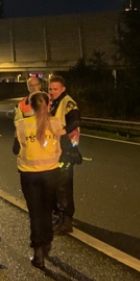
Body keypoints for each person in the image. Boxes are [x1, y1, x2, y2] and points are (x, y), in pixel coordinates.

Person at [13, 92, 72, 269]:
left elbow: (15, 149)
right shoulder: (55, 123)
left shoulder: (21, 125)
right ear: (48, 105)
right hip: (51, 174)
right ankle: (47, 243)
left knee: (35, 213)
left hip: (29, 175)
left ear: (30, 106)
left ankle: (38, 251)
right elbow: (66, 146)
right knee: (47, 211)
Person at [48, 74, 81, 235]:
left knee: (64, 186)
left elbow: (75, 121)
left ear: (63, 89)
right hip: (54, 151)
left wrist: (63, 131)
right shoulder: (53, 102)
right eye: (50, 88)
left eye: (55, 89)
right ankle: (60, 216)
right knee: (55, 185)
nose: (52, 91)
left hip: (65, 150)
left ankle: (66, 221)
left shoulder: (68, 103)